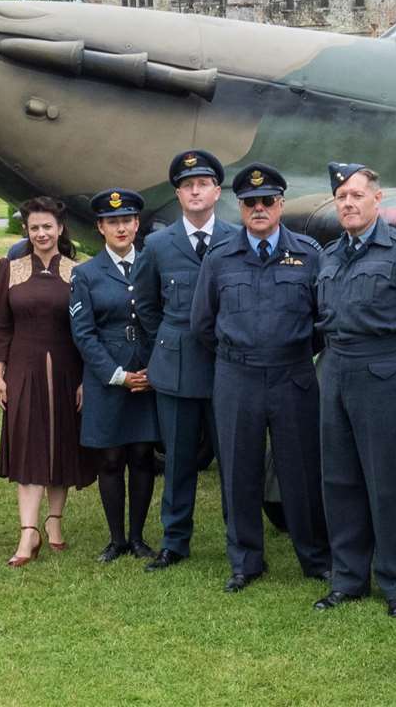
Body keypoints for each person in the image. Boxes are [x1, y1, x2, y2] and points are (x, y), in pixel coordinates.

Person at [313, 162, 396, 619]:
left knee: (384, 483)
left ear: (377, 199)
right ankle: (348, 579)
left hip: (382, 371)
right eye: (341, 197)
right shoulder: (330, 255)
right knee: (338, 480)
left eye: (356, 195)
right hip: (334, 370)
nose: (348, 203)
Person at [190, 163, 330, 592]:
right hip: (237, 376)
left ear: (281, 204)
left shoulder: (309, 254)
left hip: (293, 375)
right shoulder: (220, 258)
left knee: (301, 471)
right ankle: (246, 562)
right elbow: (202, 323)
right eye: (250, 202)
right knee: (238, 471)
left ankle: (314, 557)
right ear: (240, 207)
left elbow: (323, 319)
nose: (259, 208)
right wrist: (242, 355)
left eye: (267, 201)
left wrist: (288, 352)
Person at [133, 149, 237, 572]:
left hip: (227, 366)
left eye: (203, 184)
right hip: (176, 368)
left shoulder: (236, 238)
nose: (196, 191)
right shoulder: (158, 244)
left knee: (233, 458)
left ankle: (241, 538)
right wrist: (168, 340)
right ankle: (175, 540)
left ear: (216, 191)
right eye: (188, 185)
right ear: (178, 194)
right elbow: (145, 303)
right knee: (178, 458)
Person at [0, 197, 97, 566]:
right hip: (22, 368)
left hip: (68, 369)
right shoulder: (11, 268)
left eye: (47, 226)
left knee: (61, 442)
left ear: (60, 229)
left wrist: (85, 379)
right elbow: (1, 325)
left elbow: (84, 330)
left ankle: (54, 523)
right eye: (34, 227)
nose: (41, 233)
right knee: (28, 443)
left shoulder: (77, 271)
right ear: (26, 230)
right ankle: (27, 532)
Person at [69, 188, 159, 562]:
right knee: (109, 459)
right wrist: (118, 375)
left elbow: (164, 320)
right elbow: (83, 333)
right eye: (112, 222)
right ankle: (116, 539)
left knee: (142, 456)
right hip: (109, 378)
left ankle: (138, 538)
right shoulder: (85, 274)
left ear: (137, 224)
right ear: (100, 227)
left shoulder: (153, 265)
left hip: (148, 374)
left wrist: (156, 369)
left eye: (127, 220)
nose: (121, 228)